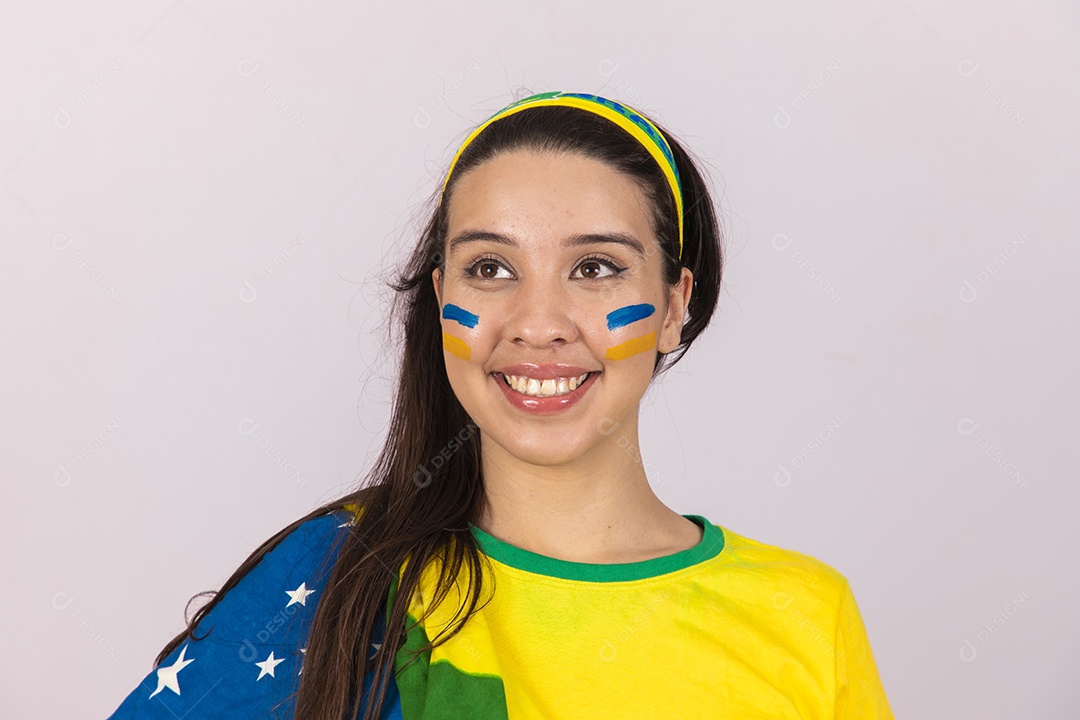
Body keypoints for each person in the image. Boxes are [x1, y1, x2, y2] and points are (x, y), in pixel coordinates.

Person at [106, 91, 895, 720]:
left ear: (674, 303)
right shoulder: (340, 578)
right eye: (490, 267)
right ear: (442, 295)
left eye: (595, 268)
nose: (538, 324)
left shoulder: (804, 612)